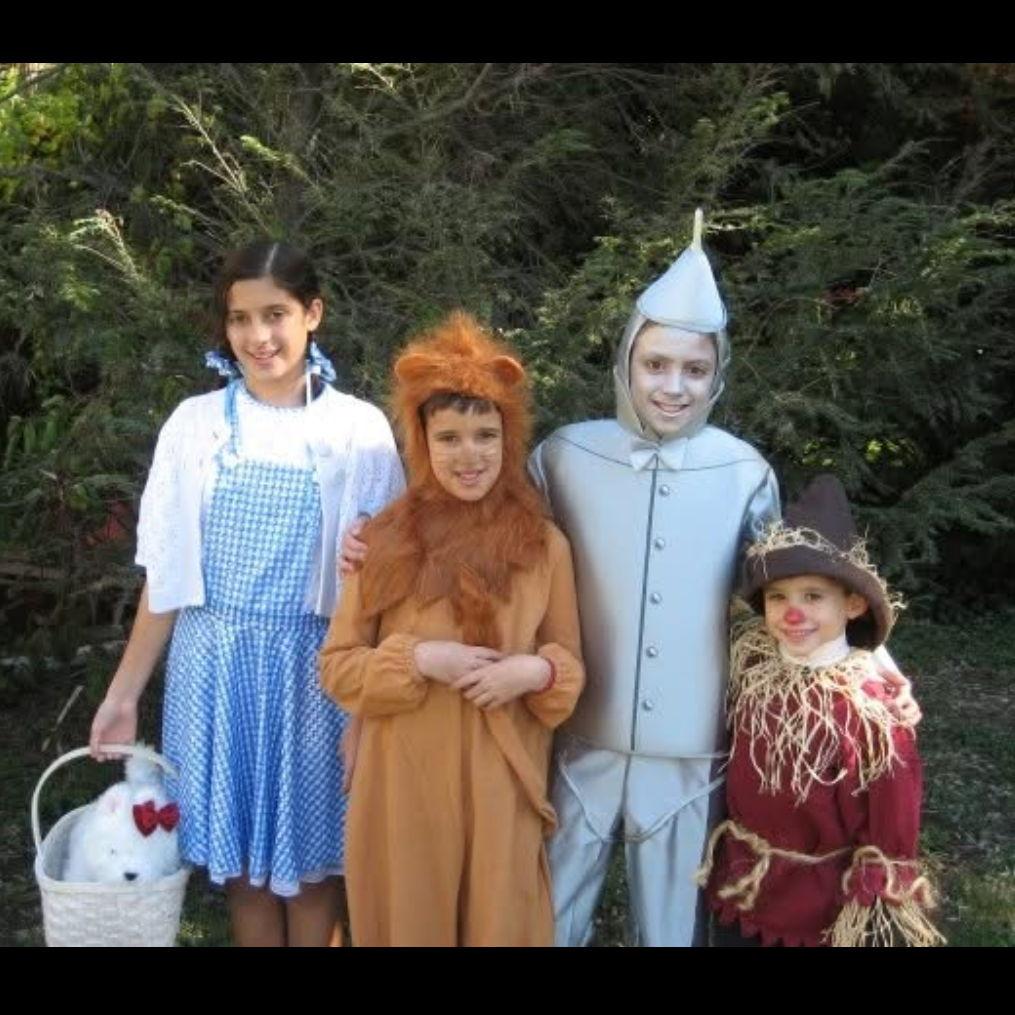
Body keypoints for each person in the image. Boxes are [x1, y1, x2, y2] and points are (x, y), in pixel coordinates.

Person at [341, 210, 919, 946]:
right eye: (654, 364)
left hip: (689, 751)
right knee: (545, 916)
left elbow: (788, 596)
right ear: (624, 362)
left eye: (694, 368)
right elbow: (485, 530)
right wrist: (379, 541)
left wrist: (872, 666)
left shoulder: (744, 473)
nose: (672, 385)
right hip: (574, 736)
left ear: (717, 374)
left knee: (672, 927)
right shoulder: (564, 455)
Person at [88, 240, 405, 946]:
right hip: (216, 669)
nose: (258, 337)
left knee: (316, 873)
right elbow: (165, 576)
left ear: (312, 314)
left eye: (275, 315)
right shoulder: (194, 426)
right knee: (247, 878)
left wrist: (368, 707)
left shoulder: (359, 433)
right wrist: (123, 693)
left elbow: (389, 592)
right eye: (240, 319)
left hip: (317, 675)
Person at [318, 311, 584, 946]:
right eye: (450, 438)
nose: (470, 456)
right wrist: (417, 659)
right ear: (421, 440)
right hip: (403, 783)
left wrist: (536, 671)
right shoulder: (381, 540)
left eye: (486, 435)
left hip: (502, 780)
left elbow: (570, 665)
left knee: (502, 922)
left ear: (508, 437)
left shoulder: (545, 546)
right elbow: (338, 665)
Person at [695, 474, 944, 947]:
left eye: (813, 596)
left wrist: (875, 893)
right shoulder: (752, 660)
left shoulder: (871, 709)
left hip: (821, 905)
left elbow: (893, 813)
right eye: (778, 597)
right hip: (745, 882)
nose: (793, 614)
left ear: (852, 604)